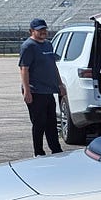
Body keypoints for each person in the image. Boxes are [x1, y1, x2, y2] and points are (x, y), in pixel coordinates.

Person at [18, 18, 69, 155]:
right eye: (39, 30)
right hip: (35, 91)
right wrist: (27, 90)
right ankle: (38, 151)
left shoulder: (48, 45)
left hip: (48, 90)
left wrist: (60, 84)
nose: (43, 32)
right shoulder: (28, 46)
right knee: (39, 123)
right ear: (31, 31)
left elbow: (53, 66)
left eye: (44, 29)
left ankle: (56, 149)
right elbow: (24, 69)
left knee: (51, 122)